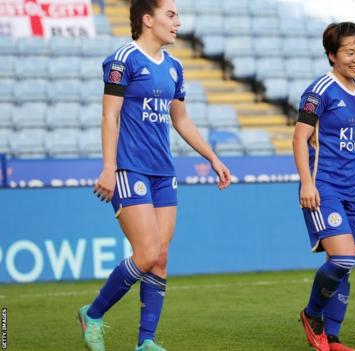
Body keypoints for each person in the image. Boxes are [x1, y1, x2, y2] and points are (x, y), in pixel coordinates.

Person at [78, 1, 231, 350]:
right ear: (148, 19)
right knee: (146, 254)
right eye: (171, 15)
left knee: (160, 258)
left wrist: (212, 157)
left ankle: (145, 342)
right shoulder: (123, 60)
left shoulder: (175, 67)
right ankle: (94, 314)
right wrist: (108, 167)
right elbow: (109, 116)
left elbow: (181, 120)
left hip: (164, 172)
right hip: (129, 168)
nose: (178, 22)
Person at [294, 22, 355, 351]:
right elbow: (298, 139)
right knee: (342, 260)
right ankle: (312, 315)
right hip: (324, 186)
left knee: (346, 266)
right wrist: (307, 183)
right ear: (332, 55)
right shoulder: (319, 91)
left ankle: (332, 337)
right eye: (349, 52)